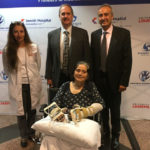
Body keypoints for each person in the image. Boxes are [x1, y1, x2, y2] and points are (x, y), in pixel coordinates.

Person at [91, 4, 132, 150]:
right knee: (102, 110)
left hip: (115, 82)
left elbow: (127, 60)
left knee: (115, 111)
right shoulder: (94, 35)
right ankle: (105, 134)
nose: (103, 18)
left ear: (112, 16)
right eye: (101, 15)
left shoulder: (123, 34)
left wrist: (123, 82)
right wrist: (92, 82)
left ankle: (115, 136)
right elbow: (93, 60)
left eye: (106, 15)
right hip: (99, 82)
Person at [2, 21, 45, 147]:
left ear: (25, 32)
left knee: (32, 110)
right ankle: (23, 136)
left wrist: (32, 77)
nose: (19, 34)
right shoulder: (7, 50)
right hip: (18, 86)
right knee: (21, 113)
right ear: (12, 33)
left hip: (32, 84)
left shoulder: (33, 47)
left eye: (21, 31)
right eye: (15, 31)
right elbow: (6, 69)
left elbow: (38, 64)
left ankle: (31, 133)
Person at [45, 4, 91, 89]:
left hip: (77, 77)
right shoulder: (52, 35)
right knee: (58, 102)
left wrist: (86, 76)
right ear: (59, 16)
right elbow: (50, 57)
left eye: (68, 13)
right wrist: (48, 76)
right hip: (58, 77)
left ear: (72, 16)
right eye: (63, 14)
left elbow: (87, 57)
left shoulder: (82, 33)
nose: (65, 16)